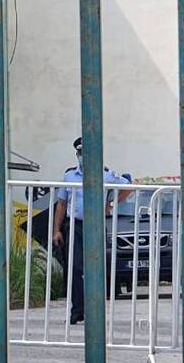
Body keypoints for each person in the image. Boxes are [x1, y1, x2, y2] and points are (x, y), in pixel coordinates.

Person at [52, 137, 129, 325]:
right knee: (75, 268)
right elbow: (61, 204)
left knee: (96, 267)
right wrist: (56, 230)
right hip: (75, 225)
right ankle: (77, 310)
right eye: (80, 153)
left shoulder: (106, 175)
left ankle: (95, 311)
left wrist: (110, 205)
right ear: (77, 154)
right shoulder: (69, 176)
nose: (83, 156)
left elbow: (128, 187)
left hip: (95, 225)